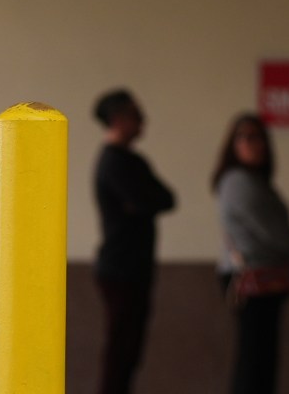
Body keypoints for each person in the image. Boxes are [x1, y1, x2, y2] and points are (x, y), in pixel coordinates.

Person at [212, 114, 289, 394]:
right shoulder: (238, 182)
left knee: (262, 360)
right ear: (232, 145)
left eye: (257, 137)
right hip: (252, 278)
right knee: (254, 361)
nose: (252, 144)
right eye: (244, 137)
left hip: (263, 278)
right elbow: (273, 231)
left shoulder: (255, 181)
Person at [91, 89, 175, 394]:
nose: (143, 121)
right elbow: (146, 199)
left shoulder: (133, 161)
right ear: (118, 119)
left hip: (135, 269)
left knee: (130, 351)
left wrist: (143, 203)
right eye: (136, 115)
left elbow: (165, 199)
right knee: (120, 351)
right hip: (120, 270)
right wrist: (143, 202)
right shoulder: (114, 163)